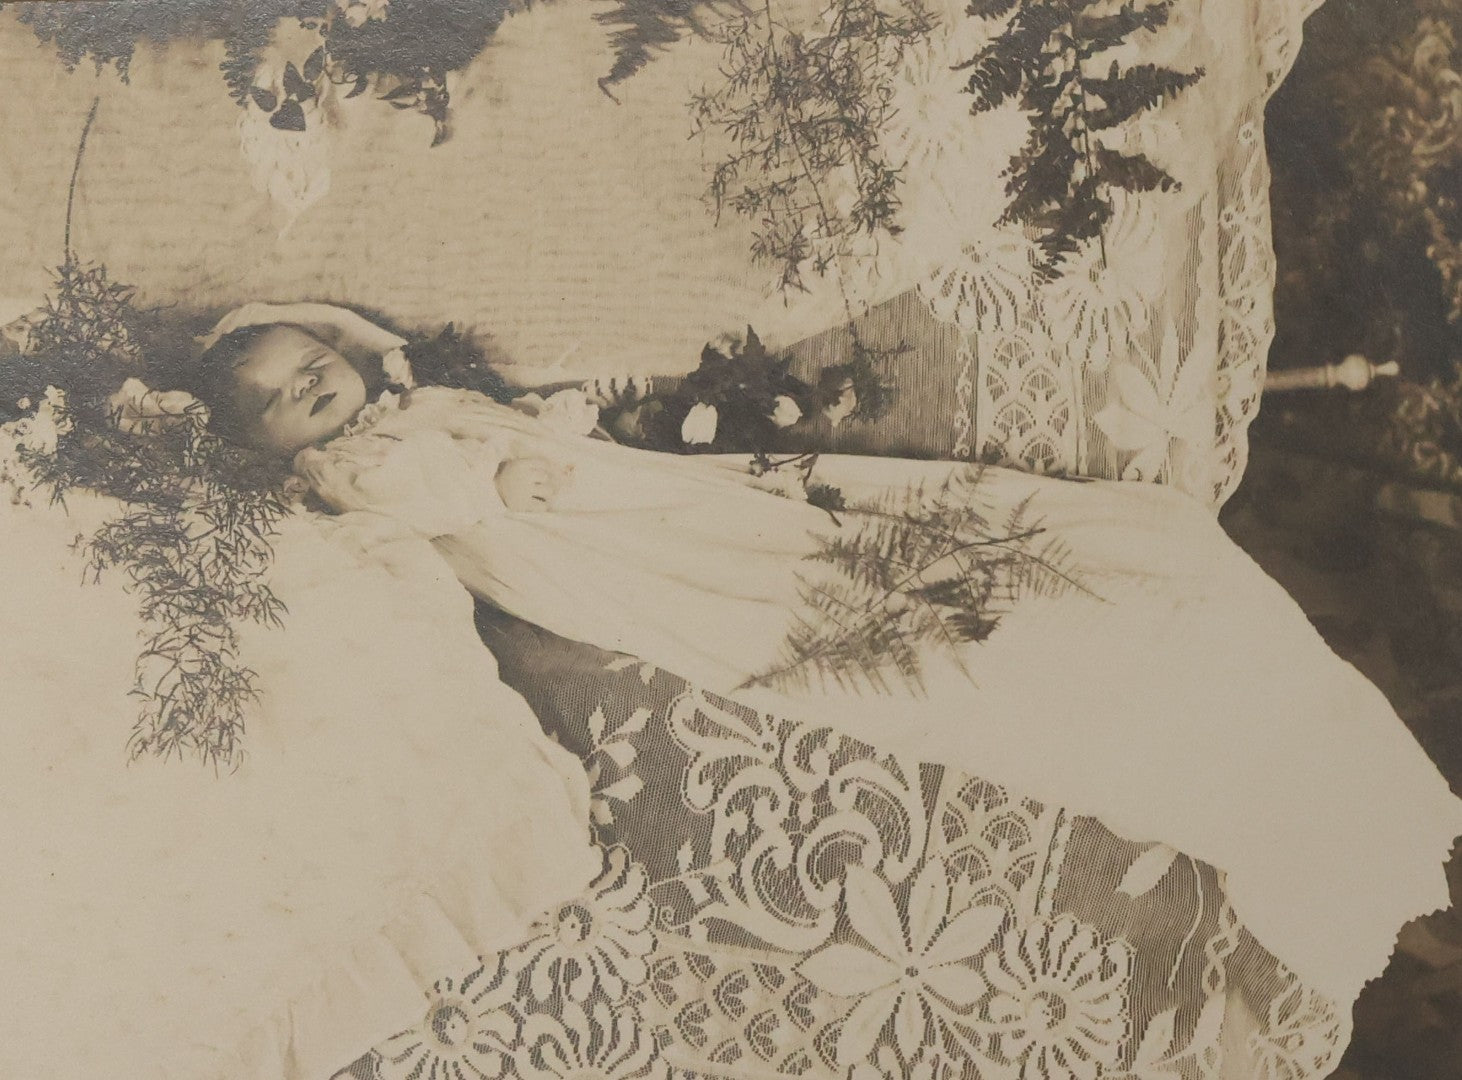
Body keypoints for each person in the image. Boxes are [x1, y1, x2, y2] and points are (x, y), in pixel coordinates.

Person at [191, 301, 1462, 1011]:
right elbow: (418, 493)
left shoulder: (409, 403)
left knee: (1053, 555)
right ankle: (1294, 801)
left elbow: (500, 433)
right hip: (618, 554)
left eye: (313, 365)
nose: (308, 391)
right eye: (275, 396)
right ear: (260, 444)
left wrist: (543, 431)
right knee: (898, 636)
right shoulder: (354, 466)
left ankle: (1307, 764)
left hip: (653, 503)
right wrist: (492, 466)